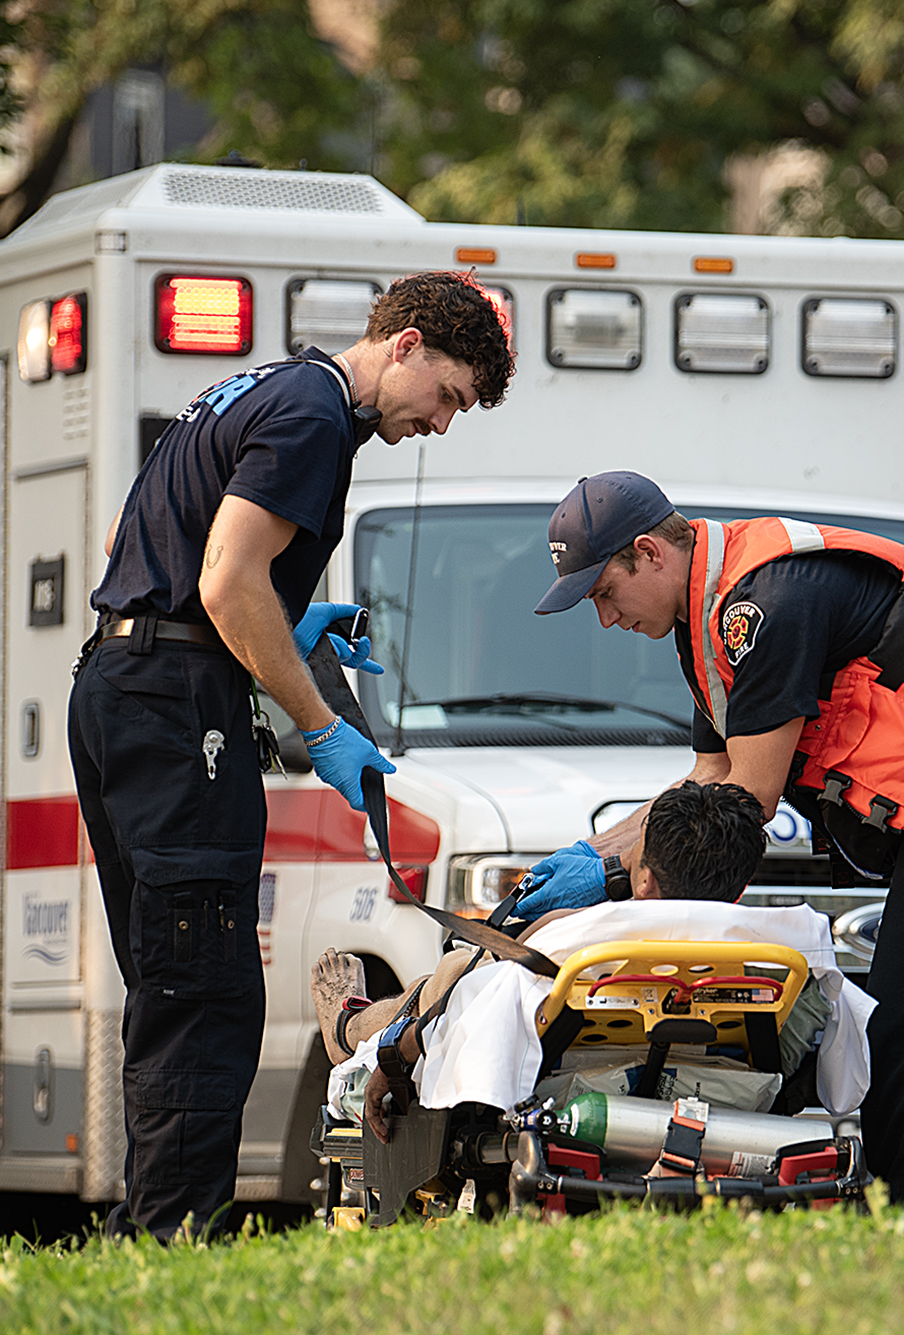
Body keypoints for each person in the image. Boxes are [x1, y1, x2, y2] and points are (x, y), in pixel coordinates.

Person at [69, 271, 513, 1241]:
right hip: (178, 707)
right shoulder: (315, 415)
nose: (442, 423)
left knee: (167, 975)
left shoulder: (253, 386)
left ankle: (150, 1230)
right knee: (207, 985)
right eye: (448, 397)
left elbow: (131, 543)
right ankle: (176, 1240)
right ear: (405, 345)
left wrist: (288, 618)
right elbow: (228, 583)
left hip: (117, 688)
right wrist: (318, 720)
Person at [514, 471, 904, 1202]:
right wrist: (595, 852)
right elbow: (709, 772)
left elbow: (748, 795)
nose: (607, 619)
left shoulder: (760, 605)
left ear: (647, 552)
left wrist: (617, 885)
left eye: (605, 594)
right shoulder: (706, 618)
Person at [312, 781, 837, 1139]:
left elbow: (461, 1027)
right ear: (741, 887)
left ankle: (353, 1028)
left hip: (570, 1094)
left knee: (458, 971)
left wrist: (393, 1060)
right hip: (729, 1095)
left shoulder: (568, 940)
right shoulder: (787, 955)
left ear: (645, 880)